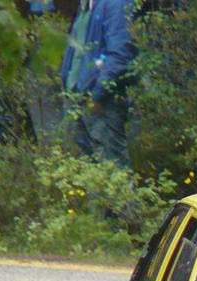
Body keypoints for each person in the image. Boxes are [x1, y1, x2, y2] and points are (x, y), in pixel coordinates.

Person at [60, 0, 136, 166]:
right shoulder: (86, 6)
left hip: (102, 101)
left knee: (112, 166)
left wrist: (97, 95)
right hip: (76, 97)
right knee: (88, 168)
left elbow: (120, 55)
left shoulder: (115, 4)